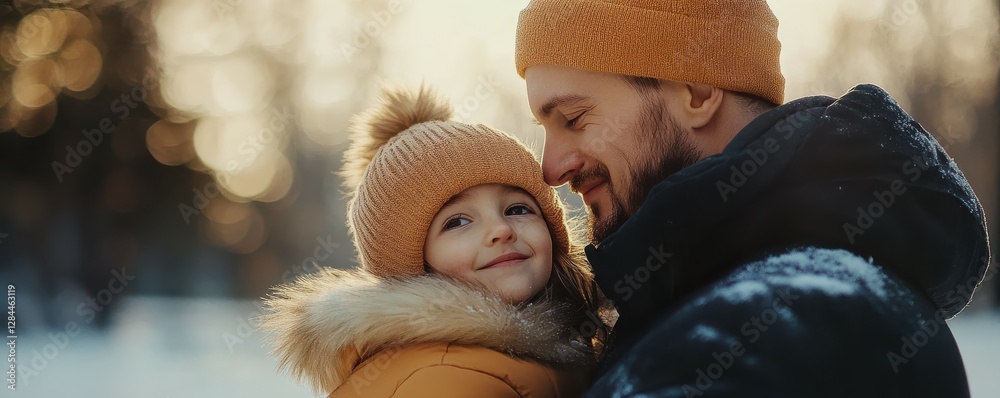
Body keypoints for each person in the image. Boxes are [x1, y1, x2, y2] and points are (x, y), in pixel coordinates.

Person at [513, 0, 991, 396]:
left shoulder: (788, 321)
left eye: (574, 119)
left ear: (697, 90)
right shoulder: (727, 302)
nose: (551, 170)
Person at [261, 85, 613, 397]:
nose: (501, 229)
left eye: (518, 209)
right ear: (412, 265)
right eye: (457, 222)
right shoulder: (443, 378)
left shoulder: (559, 349)